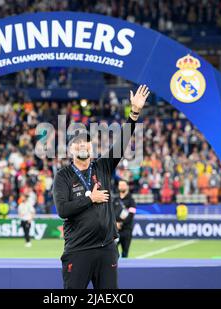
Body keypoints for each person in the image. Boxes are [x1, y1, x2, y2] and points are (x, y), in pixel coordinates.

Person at [53, 85, 149, 289]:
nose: (82, 145)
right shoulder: (63, 176)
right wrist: (90, 199)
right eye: (77, 142)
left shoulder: (103, 166)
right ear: (70, 149)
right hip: (78, 251)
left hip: (107, 250)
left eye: (86, 142)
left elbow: (122, 142)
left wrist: (134, 114)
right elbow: (63, 210)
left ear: (91, 146)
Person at [114, 180, 136, 258]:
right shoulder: (115, 199)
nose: (121, 187)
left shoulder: (131, 200)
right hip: (115, 230)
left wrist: (121, 223)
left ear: (127, 186)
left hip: (126, 230)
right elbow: (110, 213)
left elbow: (131, 215)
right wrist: (115, 223)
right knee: (113, 251)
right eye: (120, 185)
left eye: (123, 185)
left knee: (125, 253)